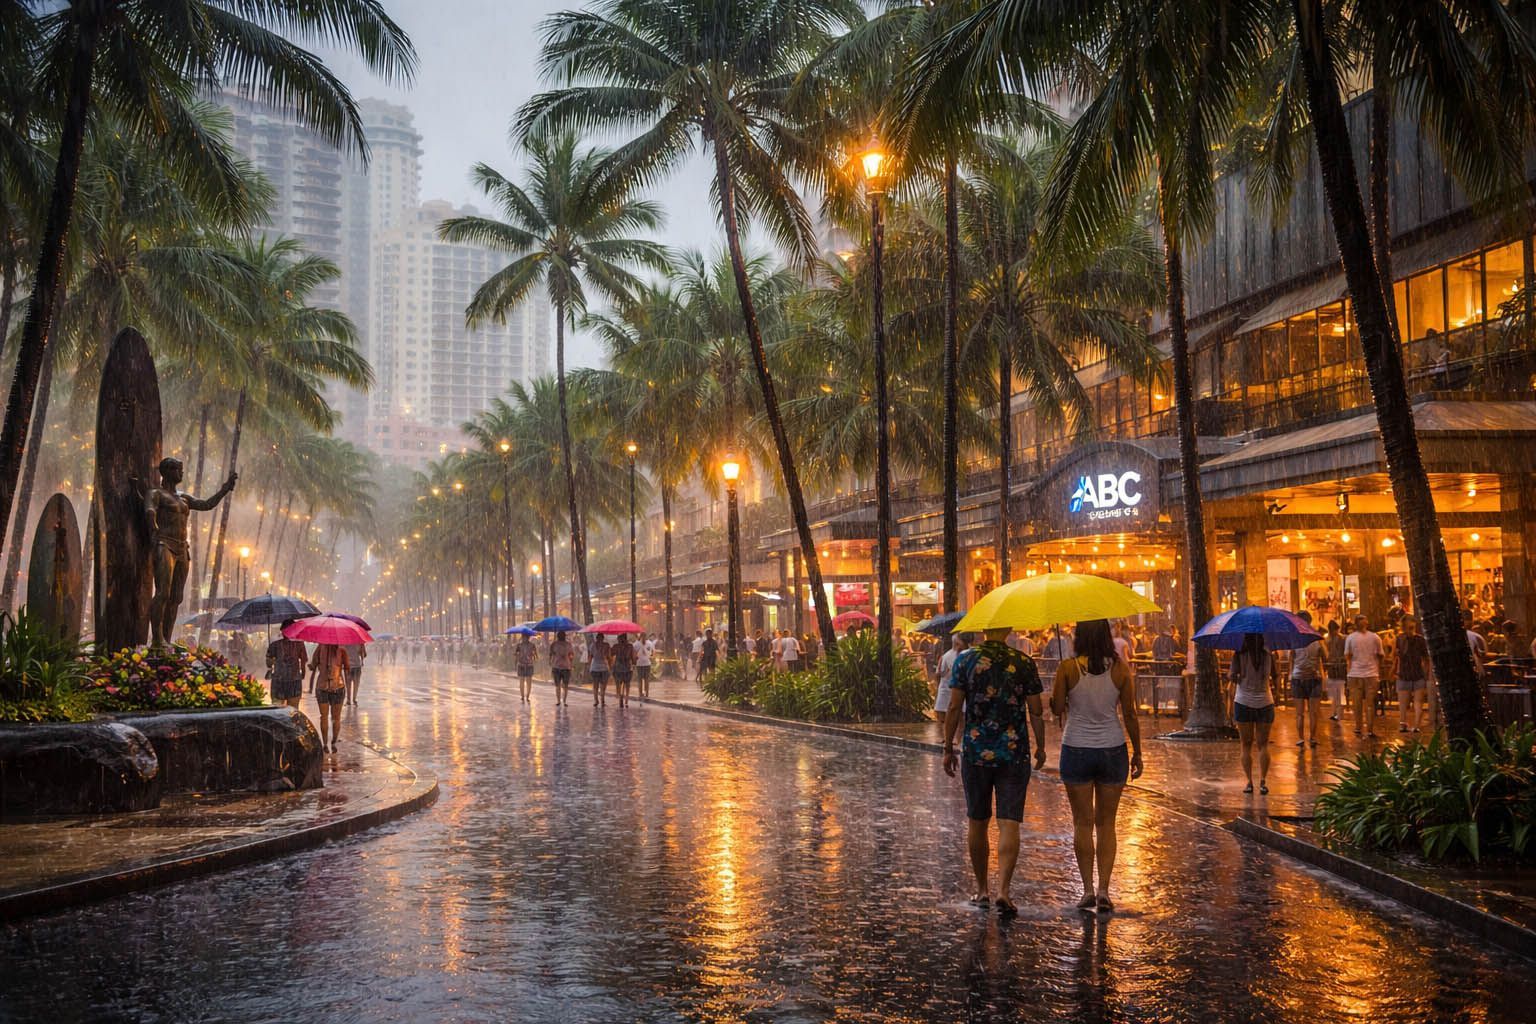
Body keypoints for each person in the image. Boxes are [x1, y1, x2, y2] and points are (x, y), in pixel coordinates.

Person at [941, 627, 1046, 917]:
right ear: (1008, 630)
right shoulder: (1023, 662)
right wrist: (1042, 746)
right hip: (1014, 752)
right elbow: (1036, 709)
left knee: (977, 820)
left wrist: (948, 746)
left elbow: (953, 706)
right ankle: (1004, 890)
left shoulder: (965, 660)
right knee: (1009, 821)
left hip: (976, 751)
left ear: (985, 629)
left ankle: (982, 890)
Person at [1052, 619, 1143, 913]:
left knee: (1082, 823)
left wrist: (1062, 692)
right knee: (1107, 824)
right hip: (1112, 749)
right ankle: (1104, 889)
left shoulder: (1067, 668)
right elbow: (1129, 713)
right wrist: (1138, 751)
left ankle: (1087, 890)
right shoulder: (1119, 669)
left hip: (1076, 748)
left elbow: (1055, 708)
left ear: (1079, 637)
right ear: (1106, 636)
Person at [1231, 633, 1278, 794]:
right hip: (1265, 701)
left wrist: (1237, 676)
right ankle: (1263, 782)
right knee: (1263, 745)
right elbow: (1275, 677)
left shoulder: (1239, 653)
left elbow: (1232, 676)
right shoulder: (1268, 655)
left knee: (1245, 745)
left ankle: (1249, 782)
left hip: (1243, 701)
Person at [1289, 610, 1326, 748]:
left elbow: (1291, 658)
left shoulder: (1294, 638)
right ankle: (1313, 737)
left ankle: (1300, 738)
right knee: (1313, 712)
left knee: (1299, 713)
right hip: (1314, 677)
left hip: (1297, 678)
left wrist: (1290, 674)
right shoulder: (1316, 638)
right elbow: (1325, 655)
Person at [1344, 615, 1384, 738]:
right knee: (1370, 703)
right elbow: (1381, 655)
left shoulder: (1350, 638)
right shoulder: (1375, 637)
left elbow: (1347, 656)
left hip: (1355, 673)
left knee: (1357, 702)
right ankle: (1370, 728)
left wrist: (1349, 669)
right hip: (1371, 673)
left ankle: (1358, 726)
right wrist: (1378, 668)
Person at [309, 642, 350, 753]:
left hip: (323, 686)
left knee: (324, 717)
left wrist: (313, 666)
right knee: (335, 718)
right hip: (338, 687)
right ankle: (333, 742)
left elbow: (312, 665)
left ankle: (326, 744)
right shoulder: (342, 649)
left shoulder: (320, 648)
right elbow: (347, 669)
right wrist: (349, 691)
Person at [1394, 615, 1431, 733]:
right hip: (1417, 674)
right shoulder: (1420, 640)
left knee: (1403, 704)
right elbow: (1426, 659)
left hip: (1404, 674)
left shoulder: (1399, 639)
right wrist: (1426, 673)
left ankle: (1403, 724)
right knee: (1417, 702)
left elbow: (1395, 656)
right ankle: (1416, 726)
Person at [265, 620, 307, 709]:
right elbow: (303, 661)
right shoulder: (300, 644)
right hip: (294, 680)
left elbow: (268, 664)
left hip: (278, 681)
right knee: (293, 711)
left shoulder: (274, 645)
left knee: (277, 711)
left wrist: (270, 656)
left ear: (282, 630)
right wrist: (302, 674)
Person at [933, 632, 970, 717]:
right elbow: (939, 674)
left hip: (958, 689)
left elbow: (939, 673)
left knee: (959, 714)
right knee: (948, 714)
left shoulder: (964, 654)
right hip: (948, 689)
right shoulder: (947, 655)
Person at [1324, 619, 1348, 720]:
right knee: (1336, 691)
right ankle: (1336, 712)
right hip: (1337, 667)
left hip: (1336, 667)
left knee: (1338, 691)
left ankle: (1337, 712)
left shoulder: (1328, 639)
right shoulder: (1342, 638)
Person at [590, 634, 612, 707]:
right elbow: (609, 657)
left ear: (596, 638)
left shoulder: (592, 645)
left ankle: (596, 700)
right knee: (603, 686)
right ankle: (602, 700)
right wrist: (610, 666)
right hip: (604, 668)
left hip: (594, 667)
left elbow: (590, 657)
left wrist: (589, 666)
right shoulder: (606, 645)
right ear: (603, 638)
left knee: (595, 686)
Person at [515, 634, 537, 703]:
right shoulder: (532, 645)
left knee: (526, 681)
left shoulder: (519, 645)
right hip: (526, 665)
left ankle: (526, 696)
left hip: (524, 664)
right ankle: (524, 696)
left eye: (524, 637)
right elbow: (535, 655)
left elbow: (516, 654)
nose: (524, 638)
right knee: (526, 681)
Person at [343, 641, 366, 706]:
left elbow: (342, 653)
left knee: (348, 684)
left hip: (347, 666)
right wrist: (361, 648)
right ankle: (354, 699)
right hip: (356, 666)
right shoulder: (360, 642)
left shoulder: (344, 642)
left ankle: (348, 700)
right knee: (356, 684)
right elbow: (364, 655)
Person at [635, 632, 654, 698]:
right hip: (647, 663)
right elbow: (653, 653)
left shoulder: (636, 643)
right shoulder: (650, 643)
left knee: (640, 680)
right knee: (647, 679)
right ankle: (647, 694)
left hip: (639, 664)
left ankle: (640, 694)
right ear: (646, 636)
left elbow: (634, 653)